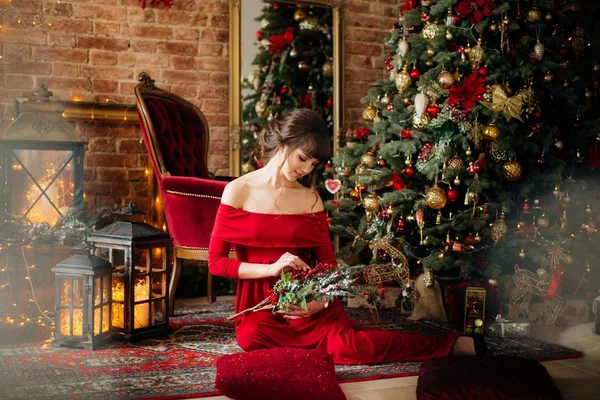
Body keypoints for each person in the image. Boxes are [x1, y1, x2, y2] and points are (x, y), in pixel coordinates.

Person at [208, 109, 477, 364]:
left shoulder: (309, 198)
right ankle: (318, 346)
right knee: (250, 337)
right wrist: (271, 268)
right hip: (262, 308)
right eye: (303, 158)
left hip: (310, 300)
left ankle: (449, 344)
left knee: (349, 346)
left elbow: (328, 266)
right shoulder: (238, 191)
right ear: (283, 144)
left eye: (313, 164)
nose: (306, 170)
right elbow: (216, 262)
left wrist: (320, 302)